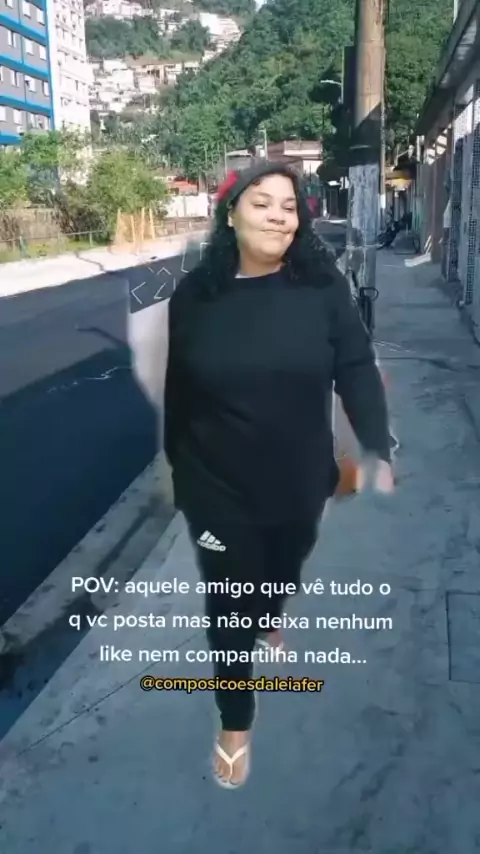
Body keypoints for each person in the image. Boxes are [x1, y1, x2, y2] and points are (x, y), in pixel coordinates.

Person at [163, 161, 394, 789]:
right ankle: (235, 722)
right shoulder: (195, 295)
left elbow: (355, 366)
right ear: (231, 214)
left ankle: (270, 605)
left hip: (300, 477)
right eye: (261, 203)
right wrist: (178, 466)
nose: (278, 217)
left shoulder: (321, 288)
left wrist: (376, 446)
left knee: (286, 560)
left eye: (289, 206)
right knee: (229, 605)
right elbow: (180, 388)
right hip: (216, 486)